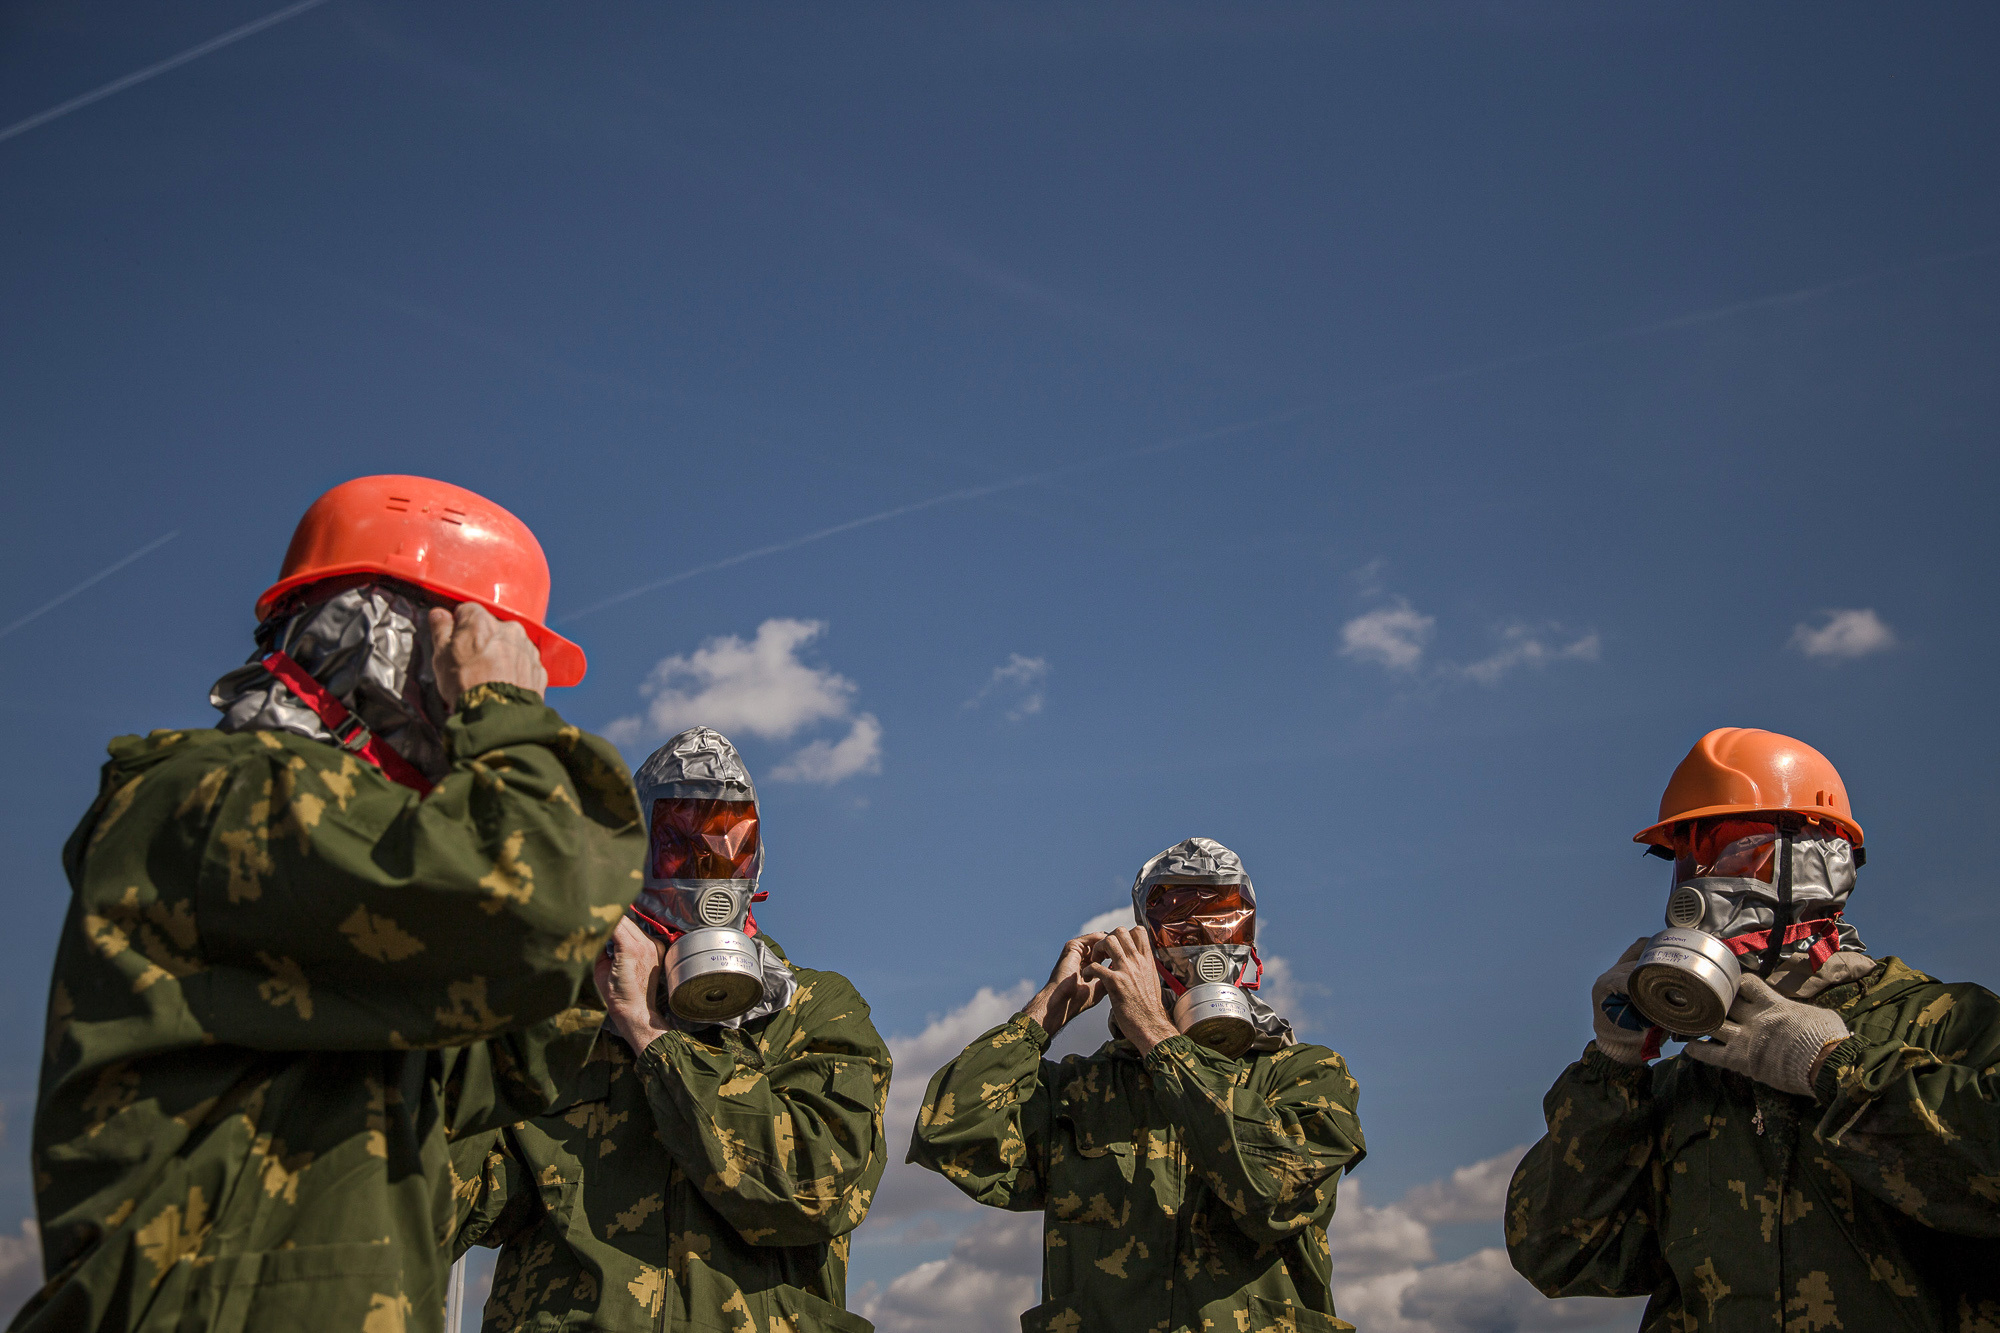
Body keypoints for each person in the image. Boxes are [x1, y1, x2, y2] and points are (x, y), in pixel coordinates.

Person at [14, 475, 646, 1333]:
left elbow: (497, 1056)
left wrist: (605, 977)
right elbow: (530, 906)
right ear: (397, 641)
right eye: (485, 655)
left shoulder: (345, 875)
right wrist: (503, 715)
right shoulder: (216, 799)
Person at [1507, 727, 2000, 1329]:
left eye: (1738, 849)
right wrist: (1612, 1070)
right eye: (1688, 857)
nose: (1701, 881)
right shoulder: (1691, 1075)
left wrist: (1836, 1069)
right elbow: (1556, 1255)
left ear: (1826, 861)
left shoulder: (1952, 1025)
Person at [458, 727, 891, 1332]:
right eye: (678, 845)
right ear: (627, 858)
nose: (707, 869)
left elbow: (812, 1192)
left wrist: (647, 1028)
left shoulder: (814, 1008)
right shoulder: (561, 1022)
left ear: (756, 860)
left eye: (729, 845)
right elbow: (448, 1208)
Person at [907, 837, 1365, 1333]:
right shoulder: (1082, 1091)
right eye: (1176, 919)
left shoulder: (1307, 1075)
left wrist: (1155, 1032)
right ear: (1145, 943)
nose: (1204, 938)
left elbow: (1269, 1192)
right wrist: (1044, 1012)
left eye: (1220, 915)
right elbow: (946, 1133)